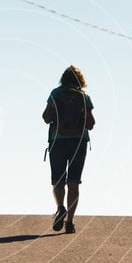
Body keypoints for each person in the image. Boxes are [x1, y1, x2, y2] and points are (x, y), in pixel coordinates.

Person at [42, 65, 94, 233]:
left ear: (63, 79)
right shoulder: (84, 97)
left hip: (57, 141)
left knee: (58, 179)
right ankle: (70, 223)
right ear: (80, 80)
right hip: (78, 142)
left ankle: (60, 207)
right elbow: (91, 124)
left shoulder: (55, 94)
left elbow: (45, 117)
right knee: (73, 182)